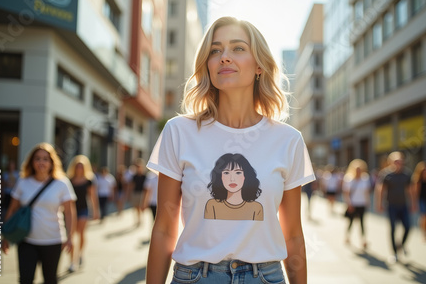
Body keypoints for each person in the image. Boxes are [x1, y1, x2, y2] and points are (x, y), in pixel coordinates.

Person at [145, 16, 315, 284]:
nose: (224, 57)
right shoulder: (178, 131)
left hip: (265, 277)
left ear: (259, 65)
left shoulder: (289, 140)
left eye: (237, 48)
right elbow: (165, 228)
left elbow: (293, 233)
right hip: (195, 277)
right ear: (208, 65)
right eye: (215, 50)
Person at [2, 142, 76, 284]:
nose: (41, 162)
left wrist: (70, 236)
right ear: (32, 162)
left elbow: (69, 211)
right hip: (26, 240)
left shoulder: (62, 183)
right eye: (37, 158)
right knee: (25, 279)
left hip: (53, 240)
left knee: (50, 279)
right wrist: (5, 237)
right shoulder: (23, 182)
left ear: (52, 162)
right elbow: (12, 209)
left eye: (45, 159)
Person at [376, 151, 415, 263]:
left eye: (400, 161)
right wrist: (379, 204)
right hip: (391, 205)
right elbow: (381, 190)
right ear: (391, 162)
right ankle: (394, 253)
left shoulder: (407, 174)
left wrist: (413, 203)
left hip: (403, 205)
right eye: (396, 161)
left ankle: (401, 245)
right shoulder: (386, 174)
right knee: (393, 229)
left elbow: (410, 190)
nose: (399, 163)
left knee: (408, 227)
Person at [66, 155, 100, 272]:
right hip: (71, 210)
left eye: (81, 166)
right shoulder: (69, 180)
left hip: (83, 210)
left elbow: (93, 197)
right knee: (71, 234)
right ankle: (72, 261)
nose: (79, 168)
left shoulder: (89, 180)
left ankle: (79, 254)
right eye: (77, 166)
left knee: (80, 233)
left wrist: (96, 211)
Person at [342, 159, 371, 249]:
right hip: (353, 204)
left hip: (361, 203)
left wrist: (367, 201)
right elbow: (346, 193)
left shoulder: (365, 178)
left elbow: (366, 192)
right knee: (350, 222)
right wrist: (349, 204)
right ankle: (347, 236)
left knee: (362, 222)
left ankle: (363, 240)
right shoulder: (349, 178)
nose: (358, 171)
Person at [129, 158, 147, 226]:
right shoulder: (134, 176)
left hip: (142, 193)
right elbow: (131, 185)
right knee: (136, 207)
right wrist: (129, 194)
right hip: (135, 193)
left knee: (140, 207)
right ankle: (137, 219)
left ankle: (140, 219)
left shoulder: (145, 176)